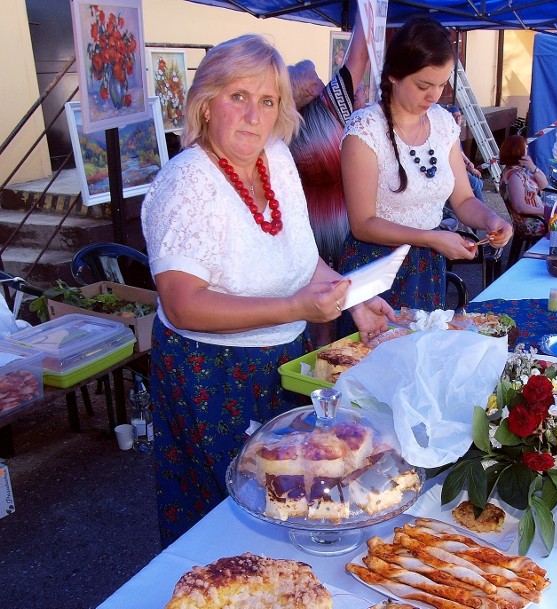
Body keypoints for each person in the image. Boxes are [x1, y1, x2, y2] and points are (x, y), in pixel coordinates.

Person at [140, 34, 393, 547]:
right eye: (239, 97)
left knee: (290, 493)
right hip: (209, 377)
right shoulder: (185, 182)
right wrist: (298, 306)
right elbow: (182, 304)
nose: (254, 115)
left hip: (279, 363)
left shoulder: (275, 157)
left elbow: (299, 255)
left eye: (268, 101)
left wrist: (353, 296)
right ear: (206, 104)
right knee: (224, 520)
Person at [339, 16, 512, 310]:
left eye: (442, 85)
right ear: (394, 75)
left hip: (428, 266)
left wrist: (491, 221)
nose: (434, 95)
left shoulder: (443, 124)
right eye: (423, 85)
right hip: (376, 268)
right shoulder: (365, 130)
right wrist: (431, 238)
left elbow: (464, 198)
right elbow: (363, 224)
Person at [288, 12, 370, 268]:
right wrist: (368, 11)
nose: (322, 81)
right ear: (311, 89)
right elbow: (359, 53)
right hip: (348, 223)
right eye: (315, 77)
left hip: (311, 227)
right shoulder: (329, 105)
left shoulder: (280, 127)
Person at [498, 134, 549, 237]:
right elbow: (520, 207)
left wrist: (533, 167)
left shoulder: (520, 170)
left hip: (537, 216)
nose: (527, 150)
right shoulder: (513, 176)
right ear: (518, 151)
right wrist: (546, 211)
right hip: (530, 222)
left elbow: (544, 185)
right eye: (525, 148)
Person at [447, 105, 484, 201]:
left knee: (480, 183)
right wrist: (470, 169)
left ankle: (474, 203)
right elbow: (453, 158)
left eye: (459, 115)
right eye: (455, 116)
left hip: (461, 166)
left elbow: (461, 153)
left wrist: (469, 162)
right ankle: (481, 208)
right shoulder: (448, 134)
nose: (458, 118)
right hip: (452, 170)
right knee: (475, 183)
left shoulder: (456, 133)